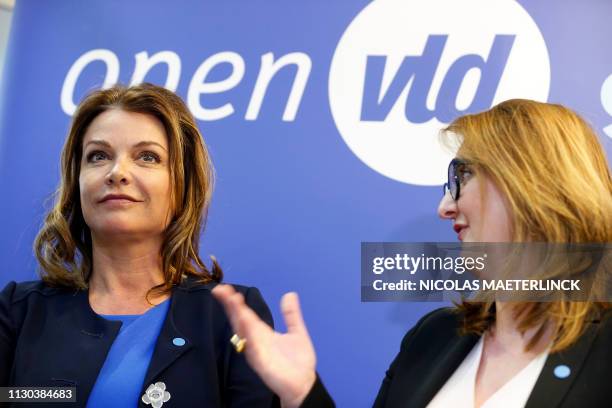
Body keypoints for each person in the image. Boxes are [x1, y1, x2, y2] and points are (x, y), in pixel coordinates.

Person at [212, 99, 612, 408]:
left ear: (530, 182)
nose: (445, 208)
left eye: (463, 176)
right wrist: (302, 393)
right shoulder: (434, 337)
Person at [0, 83, 276, 407]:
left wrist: (302, 395)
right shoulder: (19, 312)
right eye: (98, 156)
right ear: (77, 183)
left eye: (148, 156)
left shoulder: (229, 317)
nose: (117, 172)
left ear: (181, 187)